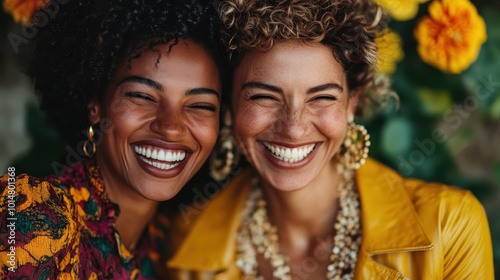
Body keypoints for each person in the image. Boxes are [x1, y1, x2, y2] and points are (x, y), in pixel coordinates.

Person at [168, 0, 495, 279]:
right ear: (228, 108)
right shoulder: (187, 247)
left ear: (353, 102)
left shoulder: (449, 225)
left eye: (321, 97)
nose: (293, 129)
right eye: (265, 97)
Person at [0, 0, 227, 278]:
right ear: (95, 106)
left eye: (201, 105)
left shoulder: (164, 243)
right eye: (142, 96)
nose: (170, 128)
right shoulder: (32, 216)